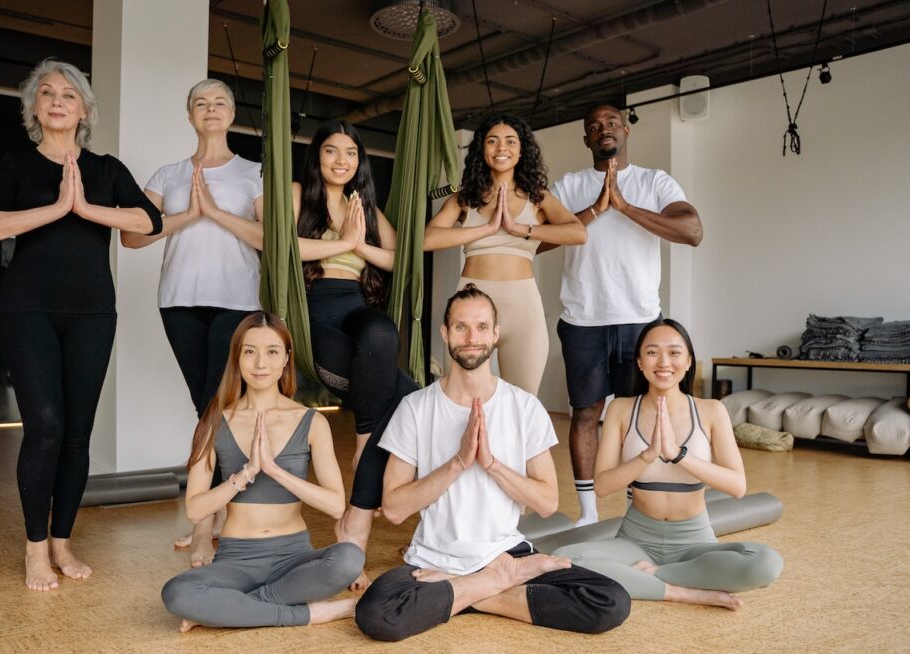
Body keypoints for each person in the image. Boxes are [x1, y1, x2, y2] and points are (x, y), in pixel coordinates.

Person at [0, 59, 162, 590]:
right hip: (26, 310)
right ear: (35, 108)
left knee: (77, 433)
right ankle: (35, 551)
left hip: (91, 314)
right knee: (47, 426)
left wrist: (87, 207)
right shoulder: (15, 166)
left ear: (83, 110)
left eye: (69, 95)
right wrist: (58, 207)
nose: (57, 100)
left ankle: (62, 542)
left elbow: (150, 220)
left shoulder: (104, 169)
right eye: (47, 93)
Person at [354, 285, 630, 641]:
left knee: (610, 601)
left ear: (496, 334)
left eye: (482, 327)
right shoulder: (416, 408)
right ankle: (488, 585)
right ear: (444, 333)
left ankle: (461, 592)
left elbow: (547, 503)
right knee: (376, 615)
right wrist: (457, 462)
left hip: (505, 552)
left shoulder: (524, 407)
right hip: (433, 560)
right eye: (461, 327)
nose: (472, 338)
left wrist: (492, 463)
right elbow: (392, 509)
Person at [121, 78, 263, 567]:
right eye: (200, 102)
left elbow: (268, 240)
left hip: (237, 302)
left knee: (213, 409)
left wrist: (217, 213)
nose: (211, 108)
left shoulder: (254, 173)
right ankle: (222, 512)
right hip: (179, 302)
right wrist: (187, 216)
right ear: (189, 115)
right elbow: (131, 238)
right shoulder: (169, 174)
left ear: (232, 113)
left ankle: (204, 526)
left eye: (220, 101)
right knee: (208, 408)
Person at [552, 319, 783, 608]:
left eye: (674, 353)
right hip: (635, 540)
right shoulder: (621, 409)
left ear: (688, 361)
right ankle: (684, 591)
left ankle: (657, 576)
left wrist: (679, 455)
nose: (663, 362)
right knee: (563, 558)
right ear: (639, 361)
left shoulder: (711, 410)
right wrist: (647, 455)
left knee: (765, 563)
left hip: (695, 543)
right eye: (652, 352)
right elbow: (602, 486)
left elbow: (737, 486)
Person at [279, 119, 418, 590]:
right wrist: (343, 243)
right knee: (414, 400)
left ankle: (361, 457)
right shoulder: (300, 194)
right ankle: (367, 457)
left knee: (383, 340)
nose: (342, 160)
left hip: (356, 310)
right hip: (313, 314)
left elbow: (401, 259)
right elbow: (283, 246)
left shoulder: (368, 208)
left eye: (351, 153)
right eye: (332, 151)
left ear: (360, 161)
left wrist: (360, 245)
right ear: (318, 157)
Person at [161, 312, 365, 631]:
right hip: (237, 560)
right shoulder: (213, 423)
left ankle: (234, 608)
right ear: (237, 358)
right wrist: (246, 474)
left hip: (294, 556)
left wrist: (274, 470)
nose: (260, 363)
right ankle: (311, 613)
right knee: (176, 593)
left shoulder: (311, 422)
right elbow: (194, 508)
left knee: (350, 559)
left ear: (286, 359)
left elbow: (336, 505)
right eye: (249, 351)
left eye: (272, 351)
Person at [551, 103, 703, 527]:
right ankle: (587, 512)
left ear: (626, 130)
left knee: (638, 412)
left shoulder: (655, 182)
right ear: (586, 139)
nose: (604, 130)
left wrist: (624, 206)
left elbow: (692, 231)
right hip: (583, 321)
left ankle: (641, 503)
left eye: (612, 122)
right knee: (586, 413)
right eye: (595, 127)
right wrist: (597, 209)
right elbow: (535, 239)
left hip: (640, 322)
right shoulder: (569, 185)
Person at [425, 113, 586, 394]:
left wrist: (520, 229)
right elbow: (427, 239)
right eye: (493, 141)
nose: (502, 148)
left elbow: (577, 233)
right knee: (463, 398)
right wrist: (485, 229)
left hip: (522, 306)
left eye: (510, 141)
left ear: (521, 150)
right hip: (472, 303)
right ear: (481, 149)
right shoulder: (464, 197)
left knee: (523, 402)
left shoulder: (538, 197)